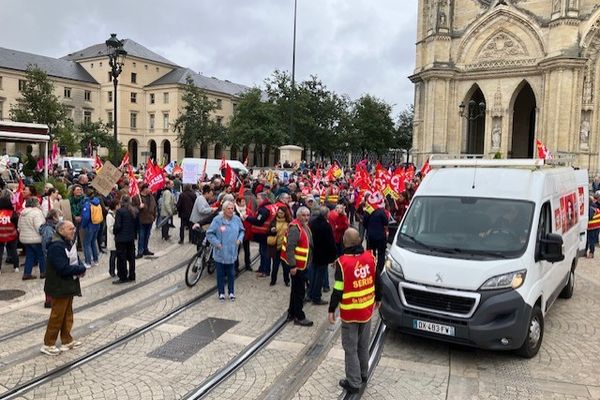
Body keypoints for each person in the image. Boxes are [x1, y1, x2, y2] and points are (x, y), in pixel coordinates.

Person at [328, 227, 381, 394]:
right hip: (366, 310)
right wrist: (378, 298)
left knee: (350, 348)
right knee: (363, 345)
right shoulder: (370, 258)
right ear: (359, 241)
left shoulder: (342, 263)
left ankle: (354, 381)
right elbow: (377, 280)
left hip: (350, 313)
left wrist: (331, 309)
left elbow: (338, 289)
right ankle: (363, 374)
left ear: (345, 242)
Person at [41, 220, 87, 356]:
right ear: (61, 231)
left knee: (67, 314)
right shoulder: (56, 246)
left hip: (67, 285)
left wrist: (79, 267)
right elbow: (62, 268)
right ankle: (48, 343)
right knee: (57, 315)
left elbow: (74, 259)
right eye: (70, 229)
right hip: (59, 285)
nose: (73, 231)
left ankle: (67, 340)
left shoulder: (68, 242)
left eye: (73, 228)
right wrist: (80, 268)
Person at [206, 200, 245, 301]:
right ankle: (221, 293)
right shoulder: (217, 220)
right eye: (229, 208)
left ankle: (231, 292)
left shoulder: (237, 219)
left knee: (231, 274)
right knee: (220, 274)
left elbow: (242, 231)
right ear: (223, 209)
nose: (231, 210)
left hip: (232, 252)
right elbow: (209, 233)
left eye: (232, 208)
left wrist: (239, 239)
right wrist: (217, 243)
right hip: (220, 252)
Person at [282, 206, 313, 326]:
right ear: (298, 216)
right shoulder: (295, 228)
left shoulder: (304, 226)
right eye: (303, 215)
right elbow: (290, 248)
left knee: (296, 290)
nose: (306, 218)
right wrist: (293, 266)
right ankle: (299, 316)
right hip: (297, 266)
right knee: (299, 292)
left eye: (307, 215)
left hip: (303, 264)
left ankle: (292, 311)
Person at [307, 206, 337, 305]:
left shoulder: (313, 223)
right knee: (320, 276)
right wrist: (333, 256)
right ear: (326, 214)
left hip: (314, 252)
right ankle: (316, 297)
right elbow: (330, 242)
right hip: (323, 254)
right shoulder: (326, 225)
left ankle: (310, 293)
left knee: (314, 274)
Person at [247, 192, 276, 278]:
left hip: (264, 234)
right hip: (265, 234)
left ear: (263, 199)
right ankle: (262, 268)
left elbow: (258, 221)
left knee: (264, 253)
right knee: (263, 252)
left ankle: (265, 270)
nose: (257, 200)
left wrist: (247, 218)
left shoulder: (264, 209)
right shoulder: (269, 207)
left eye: (258, 198)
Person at [18, 197, 46, 280]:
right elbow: (39, 227)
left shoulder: (22, 213)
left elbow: (19, 226)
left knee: (30, 256)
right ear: (35, 204)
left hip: (25, 238)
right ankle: (43, 272)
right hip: (36, 239)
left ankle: (27, 273)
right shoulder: (37, 213)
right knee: (41, 256)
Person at [40, 209, 63, 308]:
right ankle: (49, 300)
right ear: (54, 217)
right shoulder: (49, 230)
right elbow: (46, 246)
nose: (61, 217)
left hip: (54, 257)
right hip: (51, 258)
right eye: (59, 215)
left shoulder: (54, 227)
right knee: (51, 279)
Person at [113, 195, 138, 284]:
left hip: (121, 239)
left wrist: (114, 232)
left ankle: (123, 276)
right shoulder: (134, 210)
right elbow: (137, 225)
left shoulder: (120, 211)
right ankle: (132, 275)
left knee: (121, 258)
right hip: (130, 238)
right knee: (131, 258)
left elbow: (118, 225)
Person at [267, 205, 292, 286]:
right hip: (276, 247)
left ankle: (287, 280)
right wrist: (271, 230)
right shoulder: (273, 221)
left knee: (286, 266)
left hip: (285, 247)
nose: (280, 214)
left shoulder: (289, 222)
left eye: (281, 213)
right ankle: (273, 280)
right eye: (279, 212)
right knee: (275, 265)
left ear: (285, 213)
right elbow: (268, 232)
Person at [80, 189, 103, 268]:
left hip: (89, 225)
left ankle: (88, 262)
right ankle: (96, 260)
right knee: (93, 242)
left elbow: (86, 217)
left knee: (86, 244)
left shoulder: (87, 204)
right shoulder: (97, 202)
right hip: (97, 224)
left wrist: (83, 225)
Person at [133, 184, 157, 258]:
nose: (150, 189)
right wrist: (139, 207)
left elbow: (154, 206)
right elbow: (132, 208)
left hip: (150, 219)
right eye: (148, 188)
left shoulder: (151, 197)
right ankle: (140, 251)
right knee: (141, 236)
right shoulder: (137, 197)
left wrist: (154, 216)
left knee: (147, 236)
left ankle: (145, 249)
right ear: (144, 189)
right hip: (141, 220)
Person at [0, 191, 19, 274]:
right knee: (13, 251)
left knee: (0, 252)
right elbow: (16, 224)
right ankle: (16, 267)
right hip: (12, 234)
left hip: (0, 235)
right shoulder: (12, 213)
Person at [106, 200, 118, 277]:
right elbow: (110, 228)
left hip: (116, 238)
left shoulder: (115, 214)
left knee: (116, 255)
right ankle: (111, 270)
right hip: (112, 238)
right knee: (113, 256)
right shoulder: (109, 216)